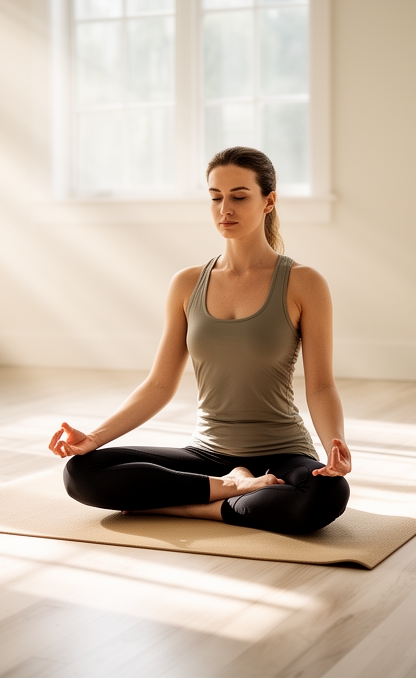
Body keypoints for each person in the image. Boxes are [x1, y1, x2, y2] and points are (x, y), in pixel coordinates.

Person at [48, 146, 351, 535]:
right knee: (81, 472)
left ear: (268, 201)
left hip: (282, 453)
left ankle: (189, 508)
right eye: (215, 197)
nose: (226, 208)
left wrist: (334, 448)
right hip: (207, 456)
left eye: (240, 197)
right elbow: (159, 385)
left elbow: (322, 385)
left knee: (327, 494)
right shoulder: (187, 284)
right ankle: (231, 487)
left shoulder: (304, 283)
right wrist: (93, 438)